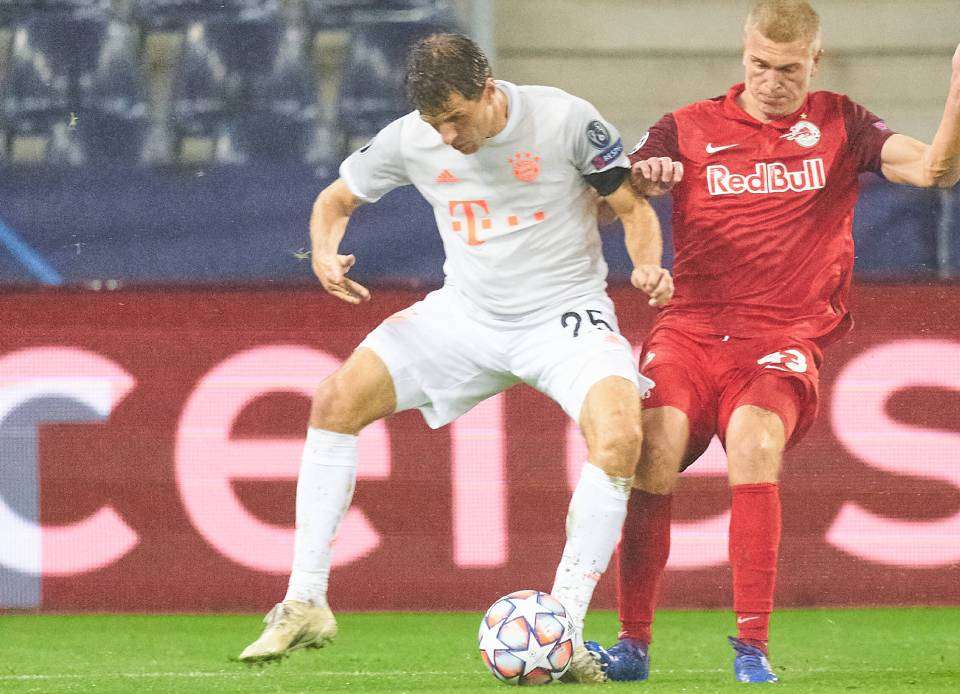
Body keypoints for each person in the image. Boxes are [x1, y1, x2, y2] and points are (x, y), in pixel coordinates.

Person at [237, 33, 673, 684]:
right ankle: (305, 601)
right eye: (435, 123)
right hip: (465, 314)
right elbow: (335, 201)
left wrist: (645, 265)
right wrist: (324, 252)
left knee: (620, 437)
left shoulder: (564, 120)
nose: (446, 135)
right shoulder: (411, 138)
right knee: (334, 401)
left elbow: (630, 207)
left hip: (564, 315)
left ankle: (565, 630)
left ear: (489, 90)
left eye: (456, 119)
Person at [587, 0, 960, 684]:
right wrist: (641, 182)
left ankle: (751, 647)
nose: (771, 80)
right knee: (651, 451)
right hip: (690, 328)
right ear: (742, 54)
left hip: (780, 336)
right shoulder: (685, 127)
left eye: (786, 68)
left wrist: (958, 94)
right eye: (758, 65)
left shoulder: (843, 122)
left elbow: (935, 171)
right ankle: (633, 646)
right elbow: (609, 205)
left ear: (815, 59)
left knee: (754, 440)